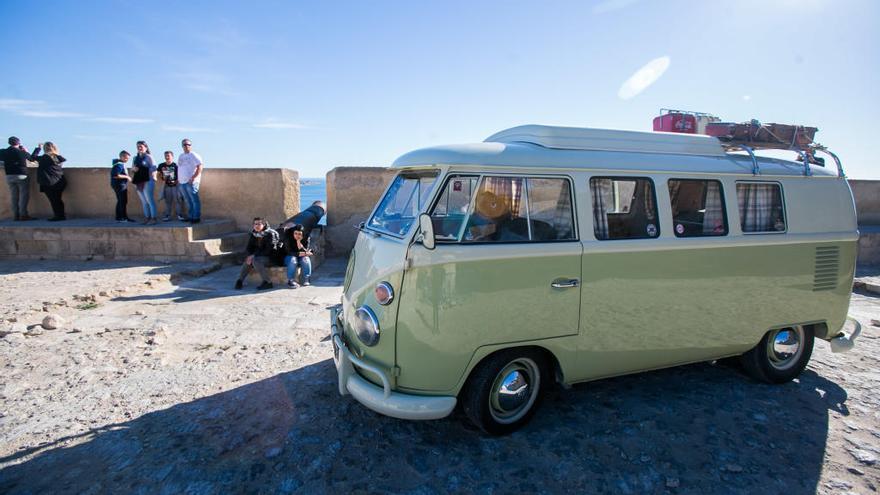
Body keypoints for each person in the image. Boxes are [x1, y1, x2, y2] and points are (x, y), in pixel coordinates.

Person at [234, 217, 281, 291]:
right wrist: (249, 255)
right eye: (255, 224)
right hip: (259, 256)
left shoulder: (270, 234)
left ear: (264, 225)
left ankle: (268, 282)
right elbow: (249, 248)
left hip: (271, 257)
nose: (257, 226)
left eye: (259, 224)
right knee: (248, 260)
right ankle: (240, 280)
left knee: (255, 260)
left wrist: (254, 255)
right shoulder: (254, 234)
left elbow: (268, 250)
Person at [29, 142, 67, 221]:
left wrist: (38, 148)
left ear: (45, 149)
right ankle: (61, 215)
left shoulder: (44, 158)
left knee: (54, 200)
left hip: (49, 182)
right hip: (59, 181)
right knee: (58, 200)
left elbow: (32, 158)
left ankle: (58, 216)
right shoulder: (57, 157)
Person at [2, 136, 33, 221]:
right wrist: (26, 151)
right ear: (18, 143)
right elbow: (31, 159)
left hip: (9, 175)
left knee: (14, 196)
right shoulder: (21, 152)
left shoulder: (4, 152)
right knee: (23, 195)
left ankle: (15, 215)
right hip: (21, 175)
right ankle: (23, 215)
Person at [131, 140, 158, 224]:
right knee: (144, 201)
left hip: (148, 180)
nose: (139, 148)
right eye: (138, 146)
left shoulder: (149, 157)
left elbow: (154, 167)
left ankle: (153, 218)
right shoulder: (135, 158)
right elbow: (132, 168)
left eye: (141, 146)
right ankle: (147, 217)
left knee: (149, 200)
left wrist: (151, 174)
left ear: (146, 147)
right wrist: (134, 169)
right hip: (138, 181)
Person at [177, 138, 203, 224]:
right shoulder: (181, 156)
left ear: (191, 146)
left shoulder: (194, 155)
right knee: (188, 201)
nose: (186, 146)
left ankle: (196, 217)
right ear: (182, 146)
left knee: (194, 200)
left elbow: (200, 167)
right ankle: (191, 216)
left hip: (191, 182)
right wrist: (178, 178)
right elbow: (180, 168)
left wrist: (193, 177)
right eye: (184, 144)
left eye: (188, 144)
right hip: (182, 182)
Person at [157, 150, 186, 222]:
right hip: (166, 186)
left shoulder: (175, 166)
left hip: (175, 186)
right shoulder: (161, 165)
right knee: (168, 202)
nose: (167, 157)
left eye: (168, 156)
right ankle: (167, 215)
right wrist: (162, 178)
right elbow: (158, 173)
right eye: (166, 156)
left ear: (172, 157)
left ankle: (180, 215)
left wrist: (176, 181)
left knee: (178, 201)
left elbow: (180, 175)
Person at [283, 224, 313, 288]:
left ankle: (307, 278)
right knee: (293, 260)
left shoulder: (306, 237)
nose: (297, 235)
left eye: (299, 234)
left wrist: (299, 242)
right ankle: (290, 280)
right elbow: (289, 252)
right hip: (289, 257)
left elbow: (306, 250)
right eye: (295, 233)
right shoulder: (288, 237)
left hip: (300, 257)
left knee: (306, 259)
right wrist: (304, 253)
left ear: (302, 234)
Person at [111, 150, 134, 222]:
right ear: (121, 157)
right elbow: (115, 175)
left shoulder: (119, 164)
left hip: (120, 185)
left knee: (121, 201)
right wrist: (127, 177)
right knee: (123, 201)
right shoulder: (118, 165)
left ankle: (120, 217)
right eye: (126, 158)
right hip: (120, 185)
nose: (127, 160)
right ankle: (123, 218)